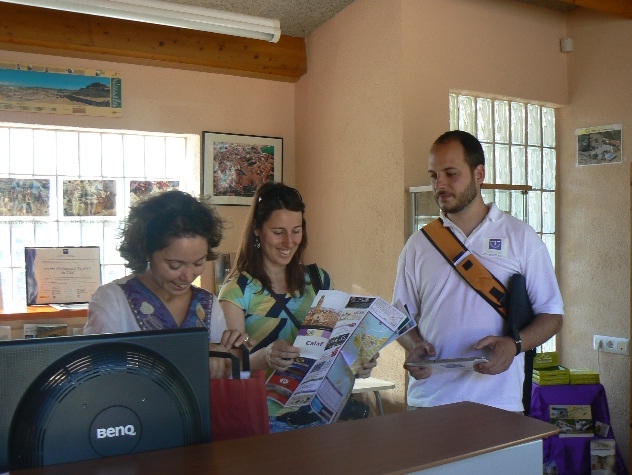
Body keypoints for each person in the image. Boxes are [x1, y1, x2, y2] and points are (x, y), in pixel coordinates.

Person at [394, 130, 564, 413]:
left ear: (478, 173)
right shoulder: (418, 244)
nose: (440, 185)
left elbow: (552, 315)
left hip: (499, 402)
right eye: (434, 175)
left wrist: (514, 344)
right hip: (429, 401)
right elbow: (400, 316)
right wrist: (413, 345)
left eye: (451, 173)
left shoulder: (521, 237)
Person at [218, 182, 377, 432]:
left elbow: (334, 347)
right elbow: (230, 366)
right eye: (278, 231)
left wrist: (357, 360)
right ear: (257, 230)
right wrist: (265, 356)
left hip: (321, 412)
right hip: (266, 419)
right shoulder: (238, 289)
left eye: (296, 230)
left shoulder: (319, 280)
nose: (289, 242)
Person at [84, 190, 247, 378]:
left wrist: (230, 356)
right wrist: (196, 357)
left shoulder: (208, 303)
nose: (187, 276)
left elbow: (225, 372)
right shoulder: (112, 300)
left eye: (198, 263)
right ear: (146, 252)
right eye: (175, 265)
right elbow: (103, 373)